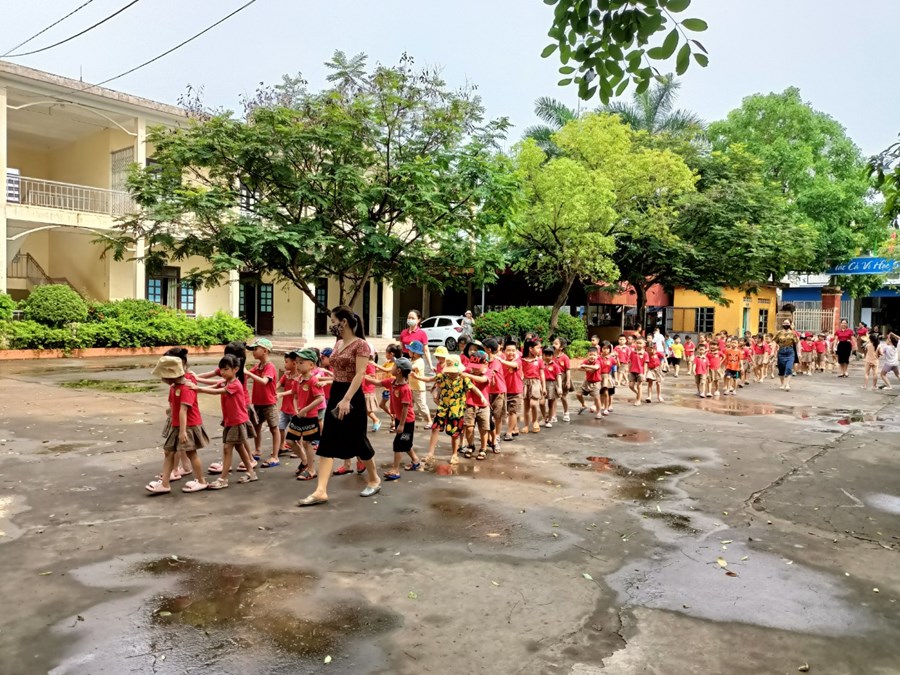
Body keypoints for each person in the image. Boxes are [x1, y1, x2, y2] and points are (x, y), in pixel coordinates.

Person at [297, 306, 381, 506]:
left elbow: (360, 374)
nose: (332, 325)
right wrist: (327, 382)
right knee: (327, 440)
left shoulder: (361, 345)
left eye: (334, 321)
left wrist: (347, 399)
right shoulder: (338, 343)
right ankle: (320, 491)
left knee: (358, 440)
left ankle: (374, 479)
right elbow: (337, 372)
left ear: (344, 322)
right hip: (336, 392)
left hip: (352, 397)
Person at [145, 356, 210, 495]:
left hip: (188, 426)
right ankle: (165, 484)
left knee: (191, 453)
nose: (163, 380)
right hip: (177, 425)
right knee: (168, 452)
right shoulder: (175, 387)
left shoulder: (186, 388)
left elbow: (183, 410)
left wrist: (182, 431)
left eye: (164, 376)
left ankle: (201, 481)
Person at [192, 354, 259, 489]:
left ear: (235, 369)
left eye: (226, 369)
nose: (222, 372)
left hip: (237, 421)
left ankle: (223, 479)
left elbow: (218, 391)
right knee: (239, 447)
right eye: (221, 369)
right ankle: (251, 473)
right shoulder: (226, 381)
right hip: (230, 420)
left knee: (227, 448)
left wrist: (197, 388)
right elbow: (214, 386)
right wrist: (195, 385)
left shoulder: (235, 384)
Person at [369, 357, 420, 480]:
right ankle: (416, 460)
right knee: (405, 443)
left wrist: (401, 425)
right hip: (400, 419)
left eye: (394, 366)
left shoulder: (405, 389)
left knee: (398, 444)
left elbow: (405, 408)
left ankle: (395, 470)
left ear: (399, 371)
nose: (391, 368)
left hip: (406, 422)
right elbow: (378, 383)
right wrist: (362, 376)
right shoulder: (392, 382)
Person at [424, 355, 478, 465]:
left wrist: (481, 397)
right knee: (435, 429)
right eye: (450, 371)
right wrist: (417, 377)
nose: (452, 373)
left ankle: (454, 454)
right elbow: (429, 379)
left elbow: (473, 388)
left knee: (455, 434)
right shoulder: (443, 377)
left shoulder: (464, 379)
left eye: (454, 371)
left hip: (456, 411)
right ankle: (430, 453)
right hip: (443, 408)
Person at [285, 349, 325, 482]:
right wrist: (297, 409)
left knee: (308, 443)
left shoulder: (313, 380)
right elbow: (295, 396)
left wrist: (305, 410)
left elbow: (320, 398)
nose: (298, 365)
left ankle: (311, 469)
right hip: (299, 415)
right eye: (297, 362)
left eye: (301, 363)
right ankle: (304, 461)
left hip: (310, 416)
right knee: (290, 441)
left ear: (311, 365)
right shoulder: (297, 380)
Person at [245, 338, 282, 468]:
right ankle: (258, 450)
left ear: (265, 351)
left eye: (256, 349)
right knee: (257, 426)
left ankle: (275, 456)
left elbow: (264, 381)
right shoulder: (258, 366)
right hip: (258, 402)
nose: (253, 352)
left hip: (269, 402)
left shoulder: (269, 366)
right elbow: (246, 376)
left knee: (274, 428)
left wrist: (248, 373)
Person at [462, 351, 492, 459]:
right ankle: (470, 445)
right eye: (473, 366)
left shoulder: (488, 372)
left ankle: (483, 448)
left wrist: (468, 375)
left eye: (477, 367)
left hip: (483, 405)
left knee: (484, 428)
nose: (474, 369)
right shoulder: (468, 370)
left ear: (486, 364)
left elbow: (482, 380)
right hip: (469, 403)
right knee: (469, 427)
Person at [483, 338, 507, 453]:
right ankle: (489, 436)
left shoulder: (496, 361)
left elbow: (491, 373)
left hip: (498, 391)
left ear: (488, 349)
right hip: (487, 391)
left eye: (484, 348)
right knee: (488, 415)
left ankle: (496, 436)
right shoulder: (484, 360)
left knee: (497, 415)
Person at [520, 340, 546, 434]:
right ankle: (526, 425)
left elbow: (542, 374)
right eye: (538, 348)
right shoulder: (522, 360)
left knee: (533, 404)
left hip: (536, 382)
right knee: (526, 406)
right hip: (525, 382)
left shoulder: (539, 360)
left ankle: (535, 421)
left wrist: (544, 387)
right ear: (530, 349)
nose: (540, 350)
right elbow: (520, 371)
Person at [407, 340, 433, 428]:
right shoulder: (412, 360)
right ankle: (409, 420)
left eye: (410, 350)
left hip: (418, 388)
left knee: (422, 406)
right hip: (411, 387)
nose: (408, 352)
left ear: (416, 353)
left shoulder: (420, 361)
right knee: (409, 404)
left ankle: (429, 421)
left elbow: (412, 367)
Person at [576, 345, 603, 418]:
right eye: (590, 355)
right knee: (578, 394)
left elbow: (596, 367)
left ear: (597, 356)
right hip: (587, 382)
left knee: (597, 398)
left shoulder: (597, 361)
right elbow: (578, 367)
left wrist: (585, 366)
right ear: (587, 355)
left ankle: (599, 412)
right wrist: (587, 369)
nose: (592, 357)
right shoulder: (586, 361)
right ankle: (583, 404)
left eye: (594, 355)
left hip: (596, 383)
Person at [773, 320, 800, 391]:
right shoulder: (779, 333)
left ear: (790, 324)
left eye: (787, 323)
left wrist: (799, 352)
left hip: (790, 352)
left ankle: (787, 384)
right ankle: (782, 384)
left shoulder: (793, 333)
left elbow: (797, 343)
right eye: (784, 323)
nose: (786, 324)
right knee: (781, 368)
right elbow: (774, 342)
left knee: (788, 368)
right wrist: (773, 351)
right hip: (781, 351)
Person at [552, 337, 572, 422]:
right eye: (553, 343)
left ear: (561, 347)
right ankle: (553, 415)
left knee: (563, 397)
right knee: (554, 397)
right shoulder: (551, 355)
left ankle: (566, 412)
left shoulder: (565, 357)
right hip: (554, 378)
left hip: (563, 378)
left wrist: (568, 381)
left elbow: (568, 370)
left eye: (556, 344)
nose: (553, 345)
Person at [628, 339, 650, 406]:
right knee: (631, 386)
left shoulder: (645, 354)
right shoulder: (632, 353)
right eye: (637, 343)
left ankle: (638, 400)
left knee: (639, 386)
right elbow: (630, 362)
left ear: (644, 344)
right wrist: (628, 371)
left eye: (640, 343)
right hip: (632, 371)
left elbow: (645, 364)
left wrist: (644, 374)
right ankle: (638, 393)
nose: (638, 345)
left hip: (640, 372)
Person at [598, 341, 617, 416]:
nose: (605, 350)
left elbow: (616, 364)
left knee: (607, 392)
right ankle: (600, 406)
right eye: (604, 348)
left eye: (607, 348)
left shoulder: (611, 358)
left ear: (610, 349)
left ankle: (607, 407)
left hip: (607, 376)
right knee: (600, 393)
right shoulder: (598, 358)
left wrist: (616, 357)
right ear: (601, 349)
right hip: (599, 376)